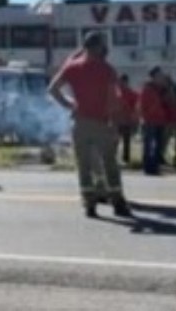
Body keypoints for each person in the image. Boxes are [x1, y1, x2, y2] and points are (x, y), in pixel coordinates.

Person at [49, 31, 132, 218]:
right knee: (110, 163)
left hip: (80, 122)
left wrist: (69, 105)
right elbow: (112, 99)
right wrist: (114, 122)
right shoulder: (106, 69)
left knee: (83, 164)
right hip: (102, 122)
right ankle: (117, 201)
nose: (104, 48)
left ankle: (89, 203)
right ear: (97, 47)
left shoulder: (72, 67)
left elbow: (53, 89)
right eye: (102, 45)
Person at [137, 68, 170, 176]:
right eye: (159, 76)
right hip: (150, 121)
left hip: (160, 120)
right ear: (153, 77)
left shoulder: (162, 89)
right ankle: (148, 167)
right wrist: (146, 115)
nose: (161, 78)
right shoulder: (147, 88)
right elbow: (142, 105)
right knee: (150, 145)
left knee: (158, 145)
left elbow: (170, 102)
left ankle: (155, 166)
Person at [114, 75, 139, 166]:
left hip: (126, 120)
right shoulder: (116, 93)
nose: (122, 84)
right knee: (116, 140)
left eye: (123, 82)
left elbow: (136, 106)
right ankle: (114, 158)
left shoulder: (130, 93)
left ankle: (126, 159)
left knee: (126, 141)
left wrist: (134, 118)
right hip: (117, 120)